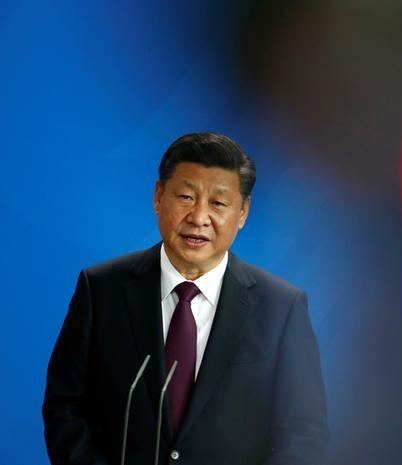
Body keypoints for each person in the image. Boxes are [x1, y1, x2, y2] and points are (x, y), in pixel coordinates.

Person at [42, 133, 329, 465]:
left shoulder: (282, 309)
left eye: (218, 203)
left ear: (242, 213)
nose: (199, 217)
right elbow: (65, 406)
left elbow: (304, 434)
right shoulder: (101, 289)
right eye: (186, 196)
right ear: (158, 196)